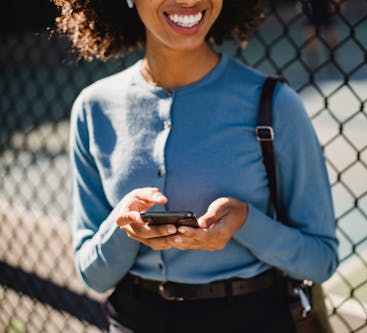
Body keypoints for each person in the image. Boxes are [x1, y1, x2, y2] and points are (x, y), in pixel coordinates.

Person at [54, 0, 338, 332]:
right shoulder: (92, 109)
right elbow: (94, 276)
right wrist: (122, 226)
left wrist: (246, 223)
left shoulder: (276, 106)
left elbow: (321, 261)